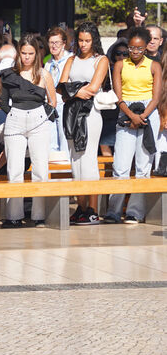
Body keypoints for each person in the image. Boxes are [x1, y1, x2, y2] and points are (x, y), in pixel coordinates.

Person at [0, 35, 57, 227]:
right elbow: (4, 101)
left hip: (39, 120)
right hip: (15, 118)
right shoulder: (9, 74)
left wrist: (43, 115)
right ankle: (14, 215)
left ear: (37, 54)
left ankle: (39, 215)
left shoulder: (44, 74)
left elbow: (53, 100)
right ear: (18, 53)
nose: (27, 57)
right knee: (14, 169)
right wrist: (14, 114)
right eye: (23, 53)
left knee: (40, 169)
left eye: (31, 53)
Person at [107, 27, 162, 223]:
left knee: (143, 166)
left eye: (139, 49)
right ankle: (113, 211)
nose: (135, 52)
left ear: (146, 47)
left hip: (148, 113)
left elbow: (156, 97)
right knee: (120, 165)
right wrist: (131, 115)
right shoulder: (120, 65)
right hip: (125, 113)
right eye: (131, 48)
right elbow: (117, 95)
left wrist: (142, 117)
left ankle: (135, 212)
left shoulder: (154, 66)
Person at [58, 22, 109, 224]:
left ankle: (93, 208)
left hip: (91, 113)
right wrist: (75, 90)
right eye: (80, 40)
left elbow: (94, 88)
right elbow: (61, 87)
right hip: (70, 112)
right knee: (74, 159)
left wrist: (71, 90)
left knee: (88, 158)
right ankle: (80, 205)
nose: (84, 44)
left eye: (87, 40)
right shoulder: (71, 59)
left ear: (94, 40)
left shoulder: (101, 60)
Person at [45, 26, 73, 161]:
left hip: (66, 104)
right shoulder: (47, 63)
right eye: (51, 42)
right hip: (50, 105)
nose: (54, 46)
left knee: (65, 140)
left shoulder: (71, 59)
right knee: (50, 142)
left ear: (64, 44)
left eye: (57, 42)